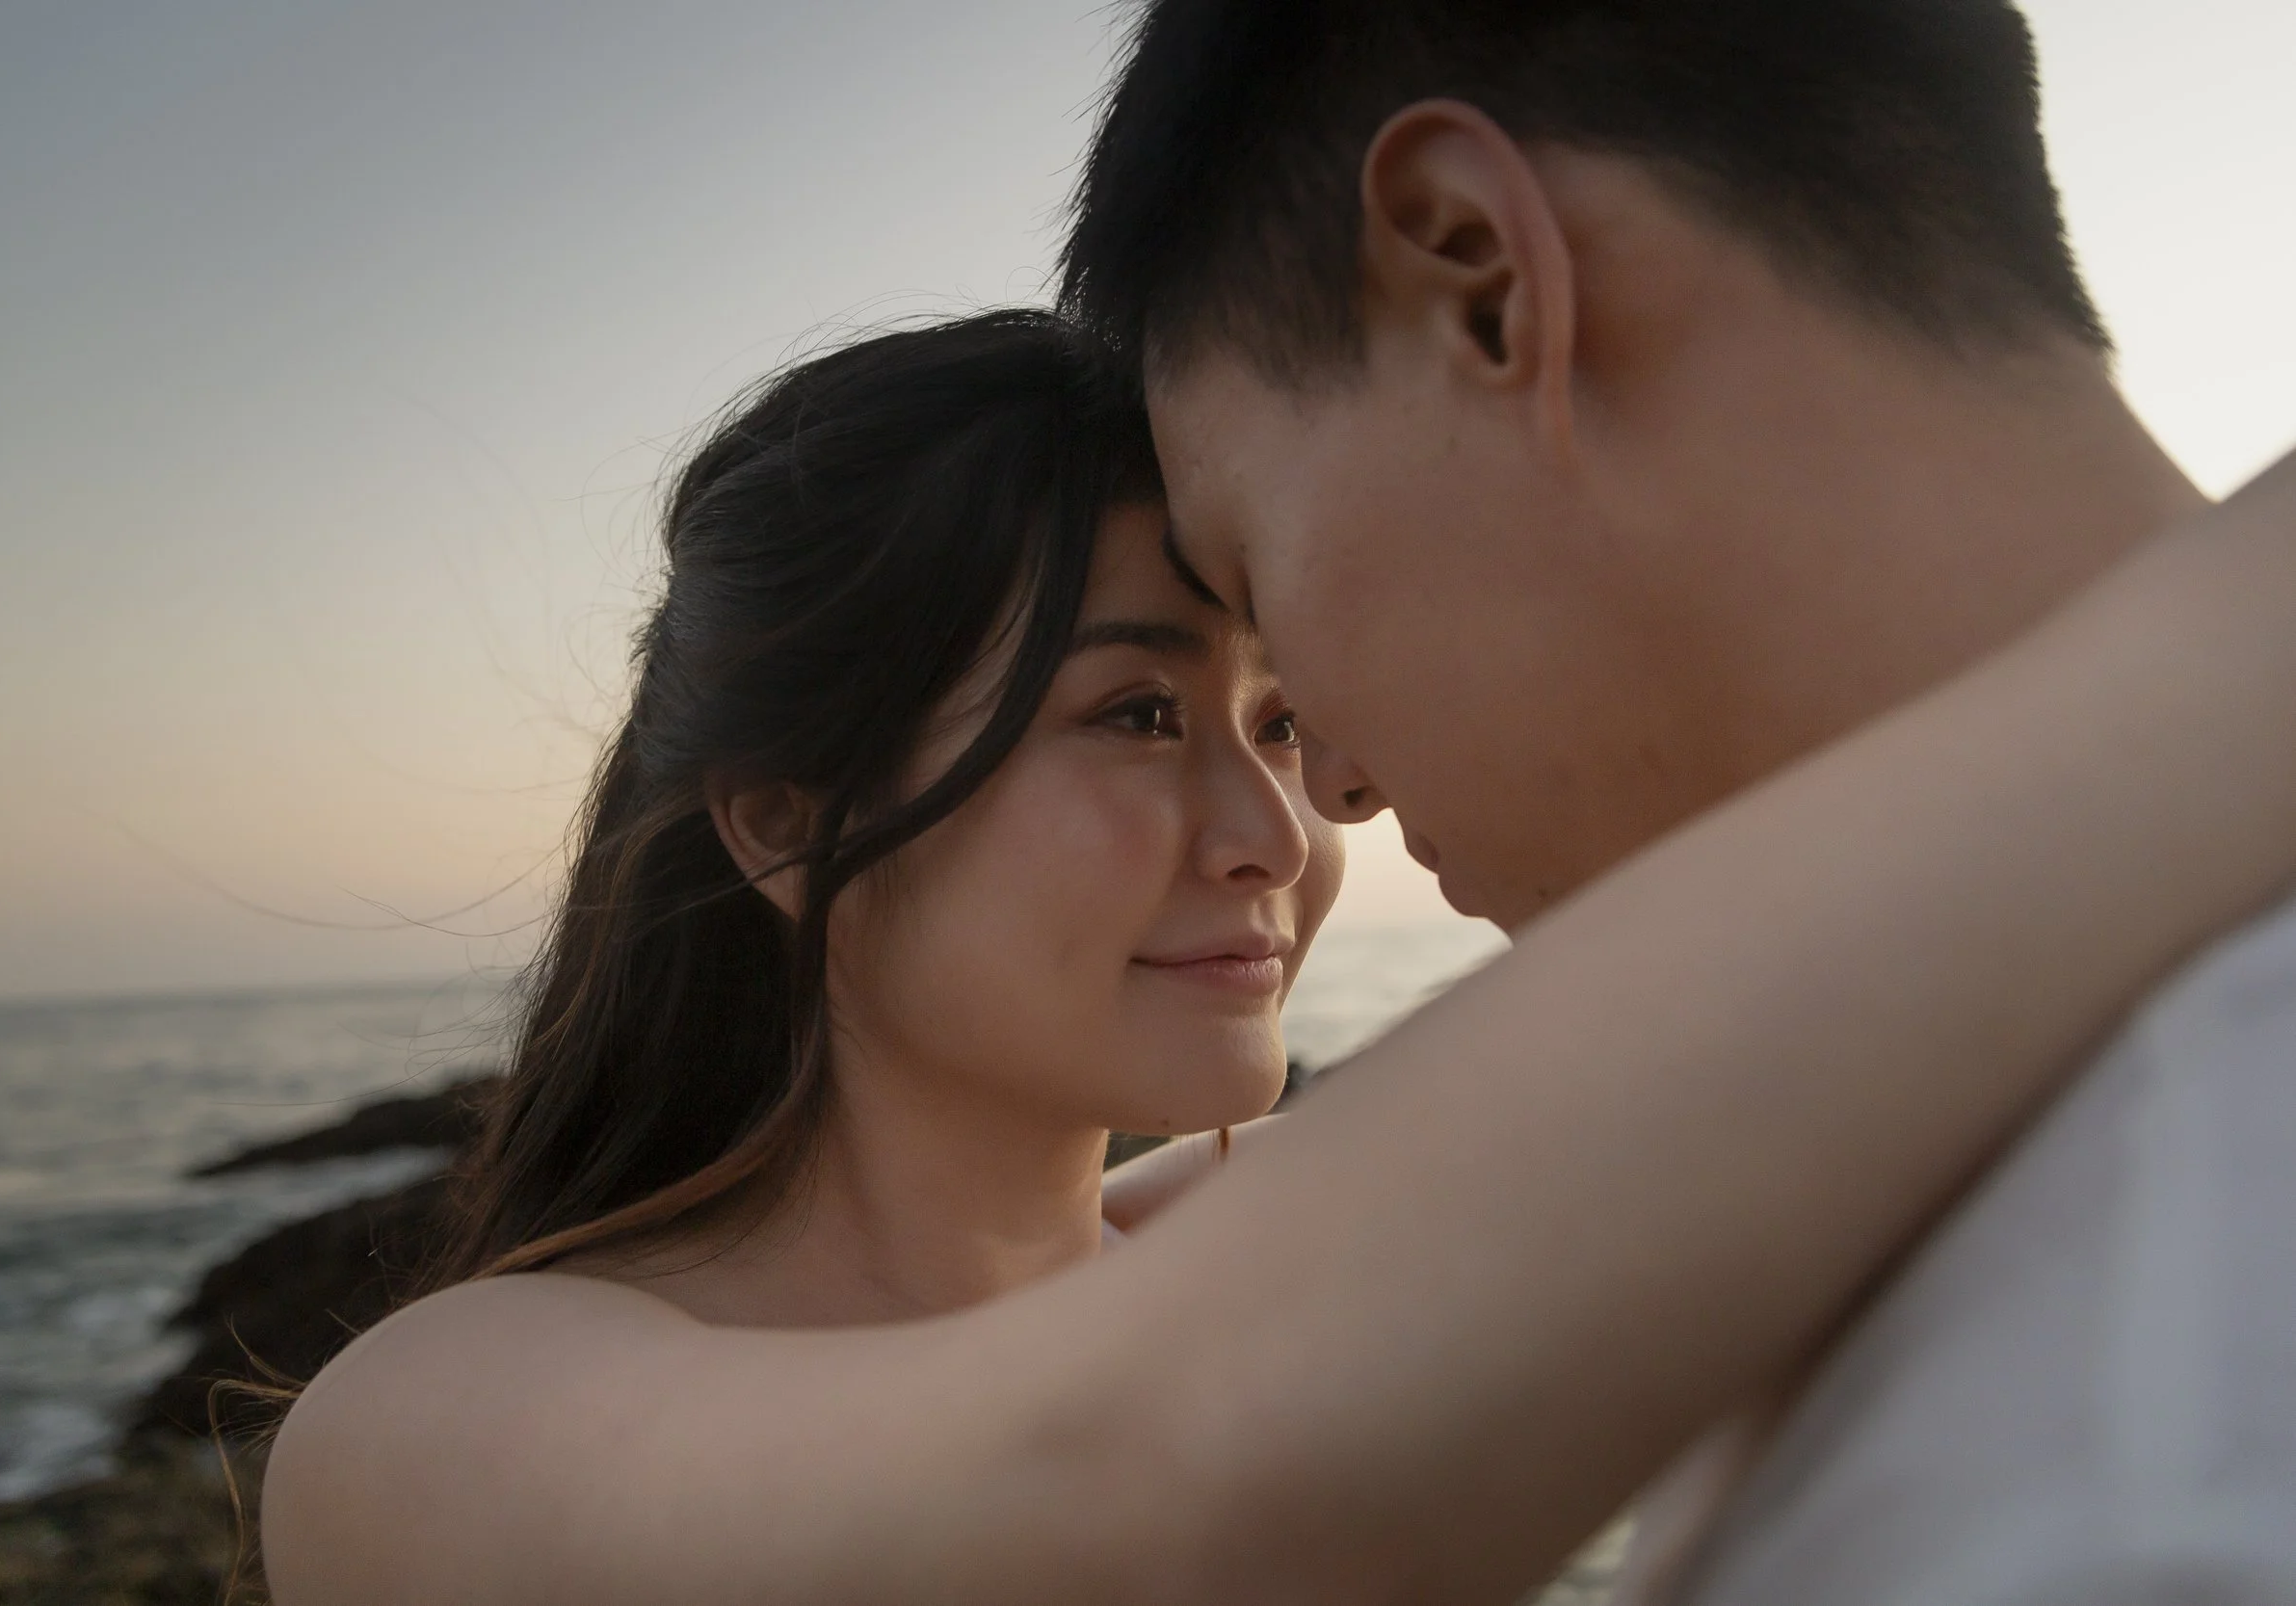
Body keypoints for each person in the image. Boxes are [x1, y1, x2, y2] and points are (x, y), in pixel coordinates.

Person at [262, 307, 2296, 1604]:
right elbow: (1136, 1496)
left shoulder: (1273, 1273)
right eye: (1134, 715)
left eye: (1273, 713)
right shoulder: (445, 1419)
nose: (1272, 836)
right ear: (785, 819)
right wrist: (2223, 632)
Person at [1055, 0, 2296, 1599]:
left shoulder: (2125, 1449)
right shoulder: (1959, 1148)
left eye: (1259, 590)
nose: (1334, 787)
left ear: (1484, 280)